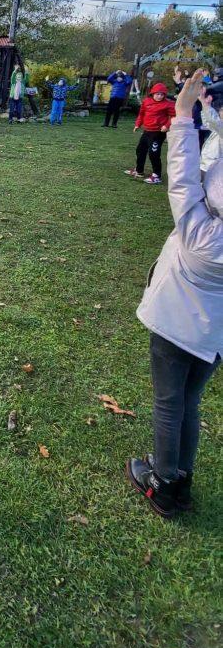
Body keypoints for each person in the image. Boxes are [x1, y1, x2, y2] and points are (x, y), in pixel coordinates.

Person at [126, 70, 222, 518]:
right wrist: (209, 111)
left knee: (169, 402)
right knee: (190, 401)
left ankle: (163, 484)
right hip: (213, 335)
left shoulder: (205, 238)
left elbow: (183, 184)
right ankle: (181, 475)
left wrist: (183, 118)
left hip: (180, 324)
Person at [125, 82, 176, 185]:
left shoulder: (168, 104)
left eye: (162, 94)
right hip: (147, 131)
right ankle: (139, 170)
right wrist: (137, 124)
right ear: (152, 93)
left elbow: (174, 116)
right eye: (157, 94)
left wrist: (167, 125)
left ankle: (157, 175)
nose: (159, 96)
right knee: (140, 150)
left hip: (158, 133)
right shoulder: (146, 102)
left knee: (154, 153)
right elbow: (141, 114)